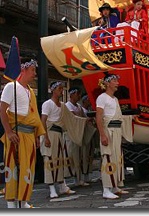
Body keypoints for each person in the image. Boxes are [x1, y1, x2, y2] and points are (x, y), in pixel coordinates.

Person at [0, 58, 45, 208]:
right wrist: (8, 131)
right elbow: (2, 110)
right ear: (24, 70)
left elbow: (35, 116)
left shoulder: (30, 91)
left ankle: (24, 200)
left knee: (28, 168)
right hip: (15, 135)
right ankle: (11, 203)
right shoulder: (10, 87)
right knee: (13, 167)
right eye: (33, 70)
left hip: (29, 135)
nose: (35, 74)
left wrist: (37, 135)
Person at [40, 81, 76, 198]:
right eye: (59, 89)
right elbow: (43, 121)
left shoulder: (62, 105)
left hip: (60, 134)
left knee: (60, 160)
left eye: (62, 88)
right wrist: (45, 137)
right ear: (53, 90)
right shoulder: (47, 104)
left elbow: (70, 119)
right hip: (50, 133)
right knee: (50, 159)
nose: (61, 91)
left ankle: (62, 185)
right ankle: (51, 188)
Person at [96, 73, 129, 199]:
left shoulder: (115, 99)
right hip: (108, 131)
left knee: (116, 158)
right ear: (108, 83)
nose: (117, 83)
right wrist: (102, 135)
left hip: (116, 131)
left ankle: (115, 186)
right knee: (108, 158)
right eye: (115, 81)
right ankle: (106, 189)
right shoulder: (102, 97)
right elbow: (99, 117)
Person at [64, 87, 89, 187]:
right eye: (77, 94)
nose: (79, 96)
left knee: (78, 157)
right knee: (70, 157)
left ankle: (78, 179)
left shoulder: (78, 106)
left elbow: (83, 117)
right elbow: (74, 118)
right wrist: (85, 120)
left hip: (78, 134)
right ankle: (65, 181)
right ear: (71, 95)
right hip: (70, 135)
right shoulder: (67, 106)